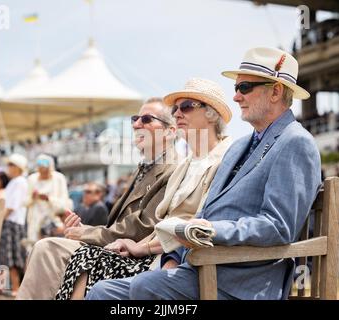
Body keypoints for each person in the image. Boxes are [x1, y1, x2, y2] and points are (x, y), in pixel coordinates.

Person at [86, 47, 322, 300]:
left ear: (275, 91)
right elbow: (205, 213)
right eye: (236, 88)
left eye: (244, 88)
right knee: (103, 292)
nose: (236, 97)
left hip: (243, 281)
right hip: (201, 267)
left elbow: (278, 226)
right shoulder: (240, 145)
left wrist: (211, 230)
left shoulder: (296, 142)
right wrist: (174, 255)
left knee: (145, 287)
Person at [56, 78, 233, 299]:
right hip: (159, 253)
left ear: (212, 114)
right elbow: (163, 222)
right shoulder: (185, 166)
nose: (177, 113)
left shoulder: (226, 159)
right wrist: (136, 246)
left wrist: (144, 249)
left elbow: (199, 222)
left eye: (186, 106)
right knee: (70, 256)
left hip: (187, 260)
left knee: (83, 258)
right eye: (175, 108)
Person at [16, 97, 178, 299]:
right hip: (119, 247)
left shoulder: (172, 169)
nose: (136, 124)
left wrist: (87, 233)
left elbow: (143, 226)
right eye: (135, 118)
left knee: (46, 249)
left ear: (170, 132)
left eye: (146, 119)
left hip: (141, 256)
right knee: (43, 249)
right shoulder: (146, 167)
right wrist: (83, 229)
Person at [0, 153, 28, 296]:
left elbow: (11, 206)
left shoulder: (20, 181)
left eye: (11, 164)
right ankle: (2, 286)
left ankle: (16, 289)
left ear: (18, 167)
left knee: (13, 258)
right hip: (9, 222)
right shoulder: (14, 182)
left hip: (13, 224)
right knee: (3, 256)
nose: (8, 167)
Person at [25, 154, 71, 245]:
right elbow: (24, 202)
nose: (42, 170)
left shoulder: (59, 178)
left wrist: (48, 199)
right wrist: (33, 197)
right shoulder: (32, 179)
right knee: (35, 250)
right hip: (35, 224)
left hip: (55, 223)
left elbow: (64, 204)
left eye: (45, 168)